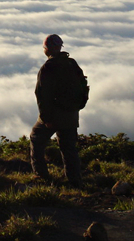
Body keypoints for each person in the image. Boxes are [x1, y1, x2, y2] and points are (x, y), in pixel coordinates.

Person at [30, 34, 88, 187]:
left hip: (54, 115)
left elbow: (42, 95)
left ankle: (41, 175)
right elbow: (83, 86)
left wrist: (46, 118)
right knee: (69, 148)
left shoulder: (48, 67)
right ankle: (75, 181)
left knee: (36, 138)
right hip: (71, 114)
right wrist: (78, 106)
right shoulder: (71, 64)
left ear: (46, 49)